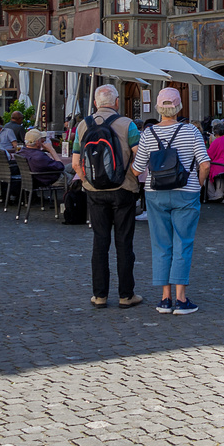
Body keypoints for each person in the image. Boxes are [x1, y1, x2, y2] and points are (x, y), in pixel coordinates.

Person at [132, 89, 210, 314]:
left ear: (158, 108)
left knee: (160, 244)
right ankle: (181, 299)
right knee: (183, 242)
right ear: (179, 108)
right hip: (186, 192)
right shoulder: (191, 132)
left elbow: (137, 169)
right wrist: (199, 185)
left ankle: (164, 298)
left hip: (155, 193)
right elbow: (205, 164)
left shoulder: (148, 133)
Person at [71, 85, 143, 309]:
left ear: (95, 103)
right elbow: (139, 156)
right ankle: (126, 295)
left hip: (95, 192)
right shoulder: (127, 124)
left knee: (99, 242)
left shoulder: (82, 125)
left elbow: (75, 163)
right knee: (124, 242)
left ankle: (100, 295)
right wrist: (130, 177)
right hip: (123, 190)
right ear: (117, 102)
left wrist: (87, 182)